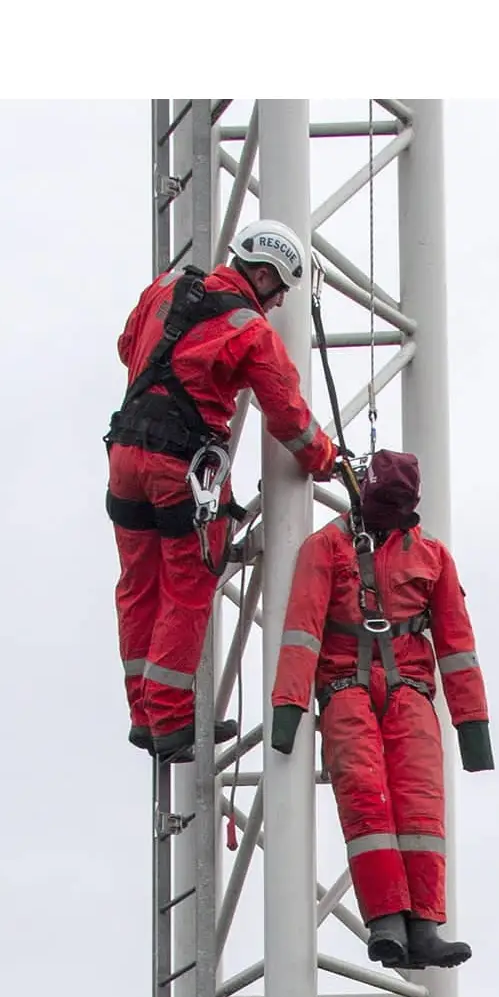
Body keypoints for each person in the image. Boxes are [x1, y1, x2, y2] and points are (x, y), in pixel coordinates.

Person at [106, 220, 340, 760]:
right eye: (278, 289)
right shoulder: (250, 331)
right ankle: (169, 724)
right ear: (261, 275)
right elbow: (290, 418)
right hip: (181, 467)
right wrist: (326, 459)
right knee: (187, 584)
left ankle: (143, 716)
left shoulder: (165, 288)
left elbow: (127, 347)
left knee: (138, 585)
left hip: (125, 455)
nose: (279, 302)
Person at [267, 449, 494, 969]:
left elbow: (457, 646)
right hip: (346, 686)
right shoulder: (326, 547)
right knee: (367, 797)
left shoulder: (432, 556)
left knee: (420, 805)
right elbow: (302, 633)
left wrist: (473, 728)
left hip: (410, 689)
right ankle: (387, 922)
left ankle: (425, 927)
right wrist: (289, 709)